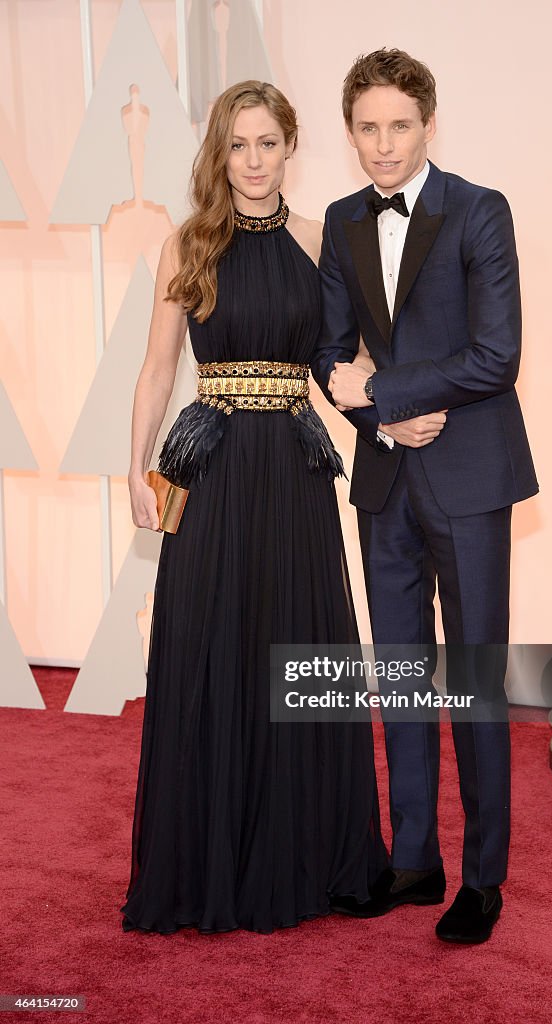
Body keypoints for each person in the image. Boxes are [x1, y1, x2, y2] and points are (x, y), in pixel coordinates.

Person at [121, 80, 387, 935]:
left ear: (290, 148)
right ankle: (211, 861)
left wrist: (400, 410)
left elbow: (340, 368)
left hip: (297, 469)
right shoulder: (187, 245)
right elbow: (159, 368)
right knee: (210, 650)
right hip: (214, 464)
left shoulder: (319, 242)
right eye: (239, 145)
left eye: (269, 143)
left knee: (299, 652)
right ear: (219, 151)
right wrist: (137, 471)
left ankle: (311, 856)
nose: (254, 161)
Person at [312, 48, 538, 944]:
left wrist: (392, 396)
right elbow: (332, 356)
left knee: (473, 679)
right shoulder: (338, 220)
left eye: (398, 125)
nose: (382, 145)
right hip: (385, 479)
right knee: (401, 674)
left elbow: (498, 357)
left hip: (472, 477)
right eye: (366, 128)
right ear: (351, 133)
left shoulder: (481, 211)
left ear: (428, 124)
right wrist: (379, 422)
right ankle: (414, 860)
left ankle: (482, 879)